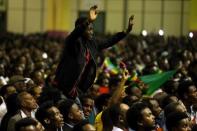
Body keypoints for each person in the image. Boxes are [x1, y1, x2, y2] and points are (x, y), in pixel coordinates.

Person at [55, 5, 134, 99]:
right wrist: (88, 20)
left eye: (92, 29)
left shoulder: (92, 43)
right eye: (89, 29)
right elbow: (74, 34)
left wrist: (125, 32)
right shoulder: (73, 42)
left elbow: (109, 41)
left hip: (78, 90)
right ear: (81, 29)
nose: (91, 32)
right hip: (64, 88)